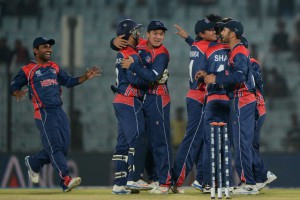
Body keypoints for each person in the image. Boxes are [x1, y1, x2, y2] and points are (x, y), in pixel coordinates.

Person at [10, 36, 101, 192]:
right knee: (55, 147)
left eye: (49, 47)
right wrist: (16, 93)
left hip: (59, 111)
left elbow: (69, 82)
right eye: (44, 47)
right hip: (43, 112)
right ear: (35, 50)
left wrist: (86, 76)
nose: (49, 50)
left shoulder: (55, 67)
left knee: (62, 148)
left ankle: (33, 163)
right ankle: (65, 180)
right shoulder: (27, 70)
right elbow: (13, 85)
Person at [117, 19, 173, 194]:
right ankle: (156, 178)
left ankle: (165, 182)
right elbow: (123, 44)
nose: (158, 37)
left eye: (161, 33)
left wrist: (133, 66)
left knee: (160, 142)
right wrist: (113, 42)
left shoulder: (163, 53)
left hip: (158, 98)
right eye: (155, 33)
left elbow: (151, 77)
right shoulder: (140, 45)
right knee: (146, 142)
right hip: (145, 98)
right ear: (147, 34)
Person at [203, 20, 258, 195]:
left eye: (224, 29)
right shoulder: (236, 50)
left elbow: (240, 75)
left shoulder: (239, 51)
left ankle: (248, 183)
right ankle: (248, 181)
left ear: (233, 33)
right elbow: (233, 73)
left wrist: (216, 79)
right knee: (241, 142)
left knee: (241, 142)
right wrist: (213, 76)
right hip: (241, 99)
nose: (221, 32)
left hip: (243, 99)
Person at [171, 17, 217, 194]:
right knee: (192, 141)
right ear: (201, 33)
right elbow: (199, 74)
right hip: (199, 97)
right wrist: (205, 75)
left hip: (198, 97)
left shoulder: (197, 44)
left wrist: (187, 37)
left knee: (204, 140)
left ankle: (202, 180)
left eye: (214, 29)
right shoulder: (206, 46)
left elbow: (196, 46)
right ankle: (176, 179)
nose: (214, 31)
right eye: (210, 29)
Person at [110, 19, 153, 194]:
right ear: (127, 35)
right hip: (130, 99)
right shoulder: (131, 53)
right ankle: (134, 178)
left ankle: (119, 183)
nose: (138, 34)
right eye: (135, 32)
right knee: (137, 138)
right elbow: (135, 79)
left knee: (122, 144)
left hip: (120, 100)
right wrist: (151, 79)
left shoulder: (123, 51)